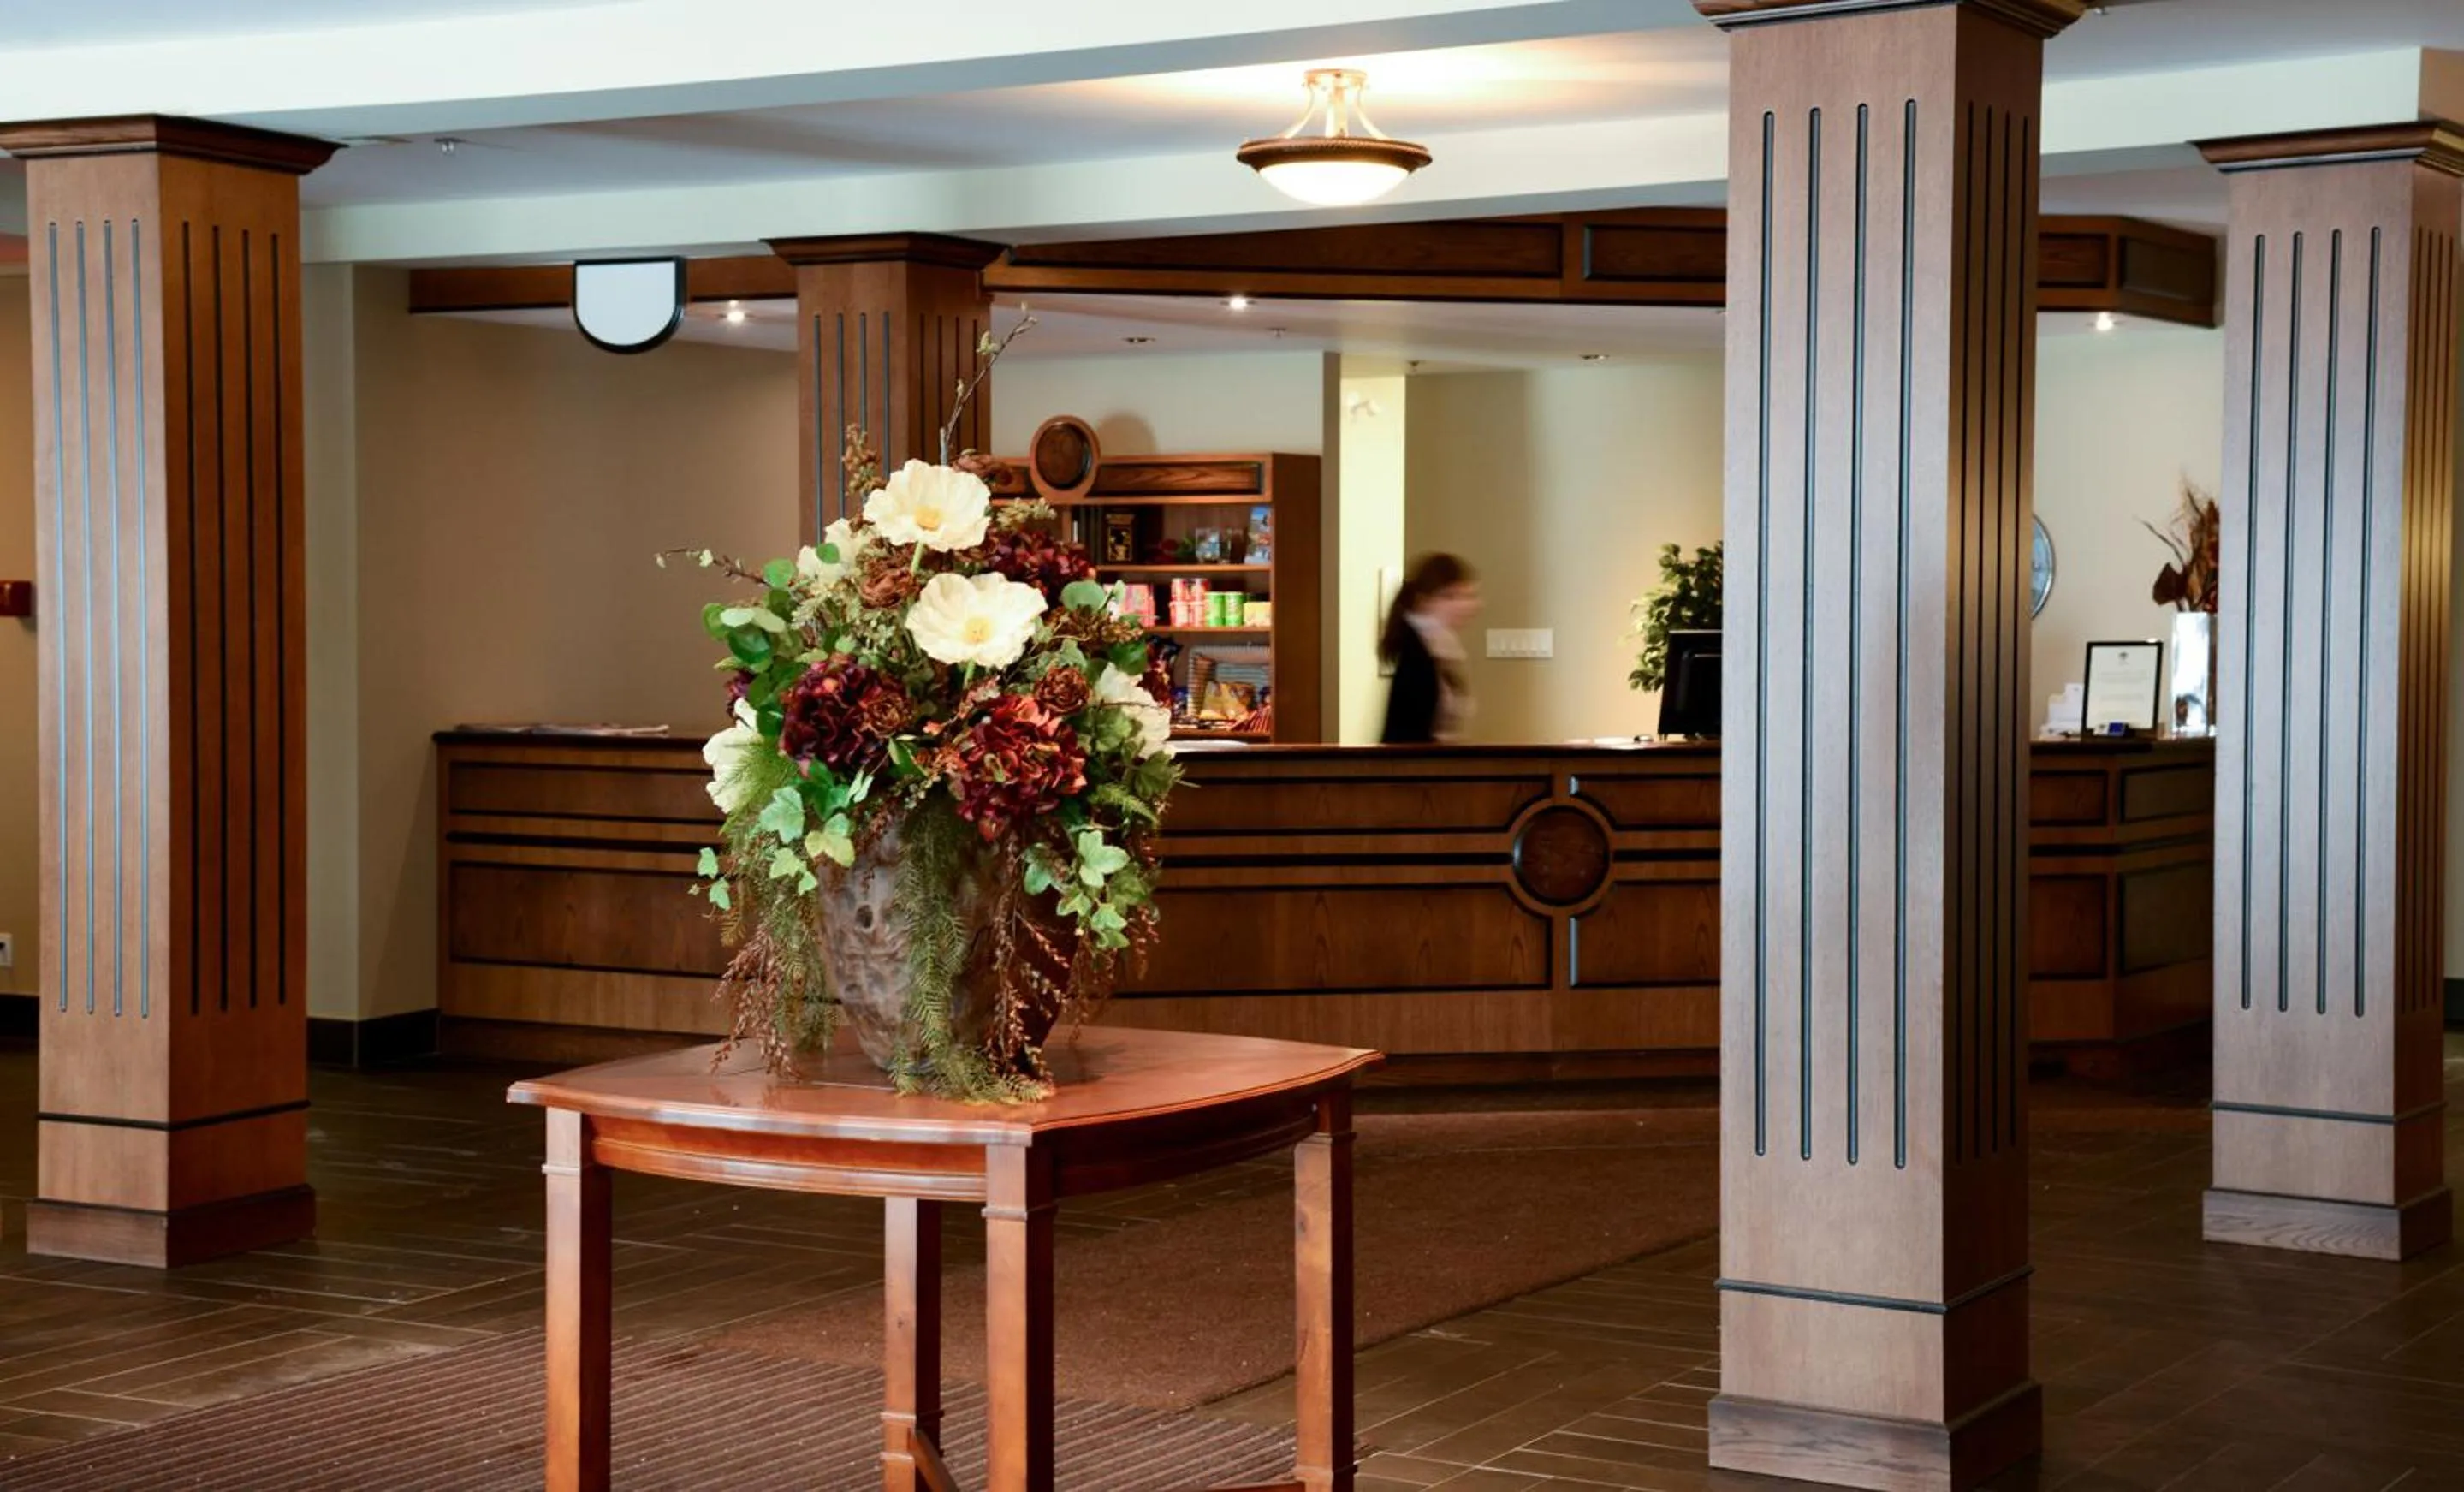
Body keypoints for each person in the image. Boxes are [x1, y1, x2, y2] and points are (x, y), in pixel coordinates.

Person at [1379, 553, 1481, 744]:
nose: (1466, 605)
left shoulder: (1438, 645)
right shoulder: (1416, 651)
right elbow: (1410, 731)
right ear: (1424, 600)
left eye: (1469, 597)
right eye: (1452, 596)